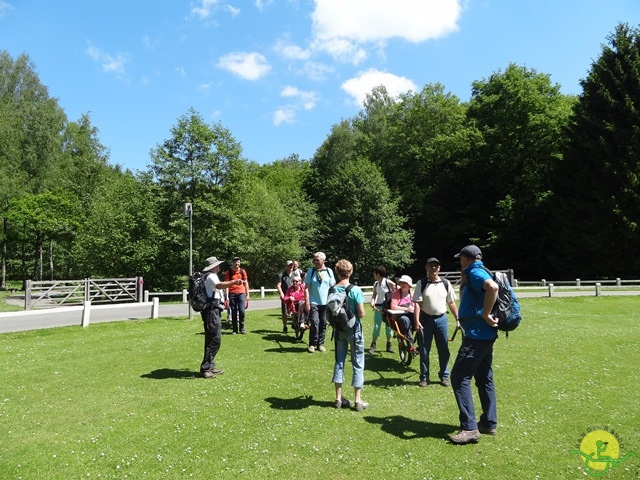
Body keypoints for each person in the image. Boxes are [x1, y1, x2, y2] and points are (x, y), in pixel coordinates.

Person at [449, 245, 499, 445]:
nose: (460, 262)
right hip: (485, 335)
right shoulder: (479, 270)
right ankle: (488, 422)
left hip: (476, 336)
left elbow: (492, 288)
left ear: (466, 259)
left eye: (460, 259)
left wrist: (485, 314)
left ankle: (469, 428)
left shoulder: (476, 271)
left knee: (459, 377)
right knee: (484, 377)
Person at [413, 257, 460, 388]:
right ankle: (424, 377)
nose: (433, 268)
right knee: (424, 349)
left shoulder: (445, 283)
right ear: (426, 267)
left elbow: (451, 302)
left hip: (441, 320)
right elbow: (417, 304)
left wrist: (457, 318)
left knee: (444, 349)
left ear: (439, 268)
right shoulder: (421, 283)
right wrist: (416, 321)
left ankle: (444, 376)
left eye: (436, 266)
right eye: (431, 265)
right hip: (425, 319)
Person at [199, 256, 245, 378]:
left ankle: (210, 366)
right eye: (217, 265)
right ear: (214, 266)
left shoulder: (207, 276)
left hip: (211, 310)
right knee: (214, 338)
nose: (219, 267)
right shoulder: (211, 276)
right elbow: (219, 286)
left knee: (213, 337)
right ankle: (206, 368)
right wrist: (234, 282)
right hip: (211, 310)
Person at [330, 259, 367, 411]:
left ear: (336, 272)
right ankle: (358, 401)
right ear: (351, 271)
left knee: (339, 362)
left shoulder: (332, 290)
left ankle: (338, 398)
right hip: (354, 330)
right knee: (358, 362)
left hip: (339, 331)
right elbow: (362, 314)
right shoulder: (355, 290)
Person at [304, 251, 335, 353]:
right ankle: (312, 344)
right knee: (314, 322)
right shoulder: (310, 271)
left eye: (317, 260)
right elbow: (306, 288)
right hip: (314, 302)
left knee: (323, 323)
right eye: (314, 260)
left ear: (323, 260)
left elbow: (332, 287)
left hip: (325, 303)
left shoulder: (329, 271)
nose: (315, 262)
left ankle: (320, 344)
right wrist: (307, 302)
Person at [368, 266, 396, 354]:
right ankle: (373, 345)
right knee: (377, 326)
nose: (373, 274)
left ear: (378, 274)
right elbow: (374, 295)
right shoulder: (376, 284)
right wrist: (372, 302)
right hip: (378, 307)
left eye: (374, 273)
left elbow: (396, 291)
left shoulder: (388, 282)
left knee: (389, 326)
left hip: (387, 307)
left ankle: (389, 344)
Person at [224, 256, 250, 334]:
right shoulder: (229, 272)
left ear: (240, 263)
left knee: (242, 311)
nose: (236, 263)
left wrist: (248, 294)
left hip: (241, 293)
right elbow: (226, 285)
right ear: (233, 263)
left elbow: (246, 283)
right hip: (232, 294)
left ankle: (242, 328)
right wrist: (227, 296)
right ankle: (234, 329)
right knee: (234, 311)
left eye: (238, 262)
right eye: (235, 262)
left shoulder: (242, 271)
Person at [389, 275, 415, 340]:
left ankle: (421, 345)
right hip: (400, 316)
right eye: (402, 283)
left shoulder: (413, 294)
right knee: (404, 319)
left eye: (405, 283)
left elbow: (417, 305)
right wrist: (406, 309)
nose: (403, 284)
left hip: (412, 315)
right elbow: (393, 306)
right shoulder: (396, 293)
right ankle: (410, 341)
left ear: (409, 285)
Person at [276, 260, 295, 333]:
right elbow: (278, 285)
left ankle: (294, 323)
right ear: (286, 266)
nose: (291, 266)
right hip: (285, 295)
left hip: (293, 295)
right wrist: (281, 293)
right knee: (284, 312)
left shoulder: (295, 275)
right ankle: (285, 326)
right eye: (289, 265)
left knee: (294, 310)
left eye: (292, 265)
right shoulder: (281, 275)